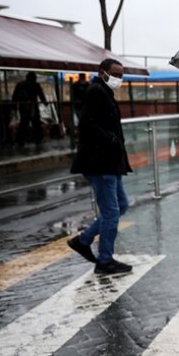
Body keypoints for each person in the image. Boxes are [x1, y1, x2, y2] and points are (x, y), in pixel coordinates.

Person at [67, 59, 134, 275]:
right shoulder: (96, 91)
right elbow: (87, 124)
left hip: (110, 163)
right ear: (102, 72)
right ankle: (105, 260)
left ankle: (83, 240)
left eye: (121, 75)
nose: (119, 78)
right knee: (112, 212)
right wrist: (112, 140)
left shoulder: (104, 91)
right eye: (115, 73)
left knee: (121, 205)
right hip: (101, 163)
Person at [12, 71, 47, 146]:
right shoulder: (36, 85)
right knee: (36, 123)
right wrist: (45, 103)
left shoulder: (20, 84)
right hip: (33, 106)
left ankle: (20, 140)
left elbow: (14, 96)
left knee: (23, 123)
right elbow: (41, 95)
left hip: (23, 106)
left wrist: (14, 106)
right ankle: (38, 139)